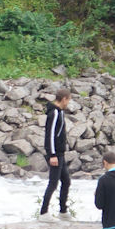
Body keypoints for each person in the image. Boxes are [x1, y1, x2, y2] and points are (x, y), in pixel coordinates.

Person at [39, 89, 73, 217]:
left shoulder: (60, 112)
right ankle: (43, 213)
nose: (68, 103)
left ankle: (63, 211)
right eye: (68, 100)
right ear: (64, 99)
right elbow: (50, 135)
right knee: (53, 183)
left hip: (60, 153)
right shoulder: (54, 113)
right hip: (55, 154)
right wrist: (52, 154)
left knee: (66, 181)